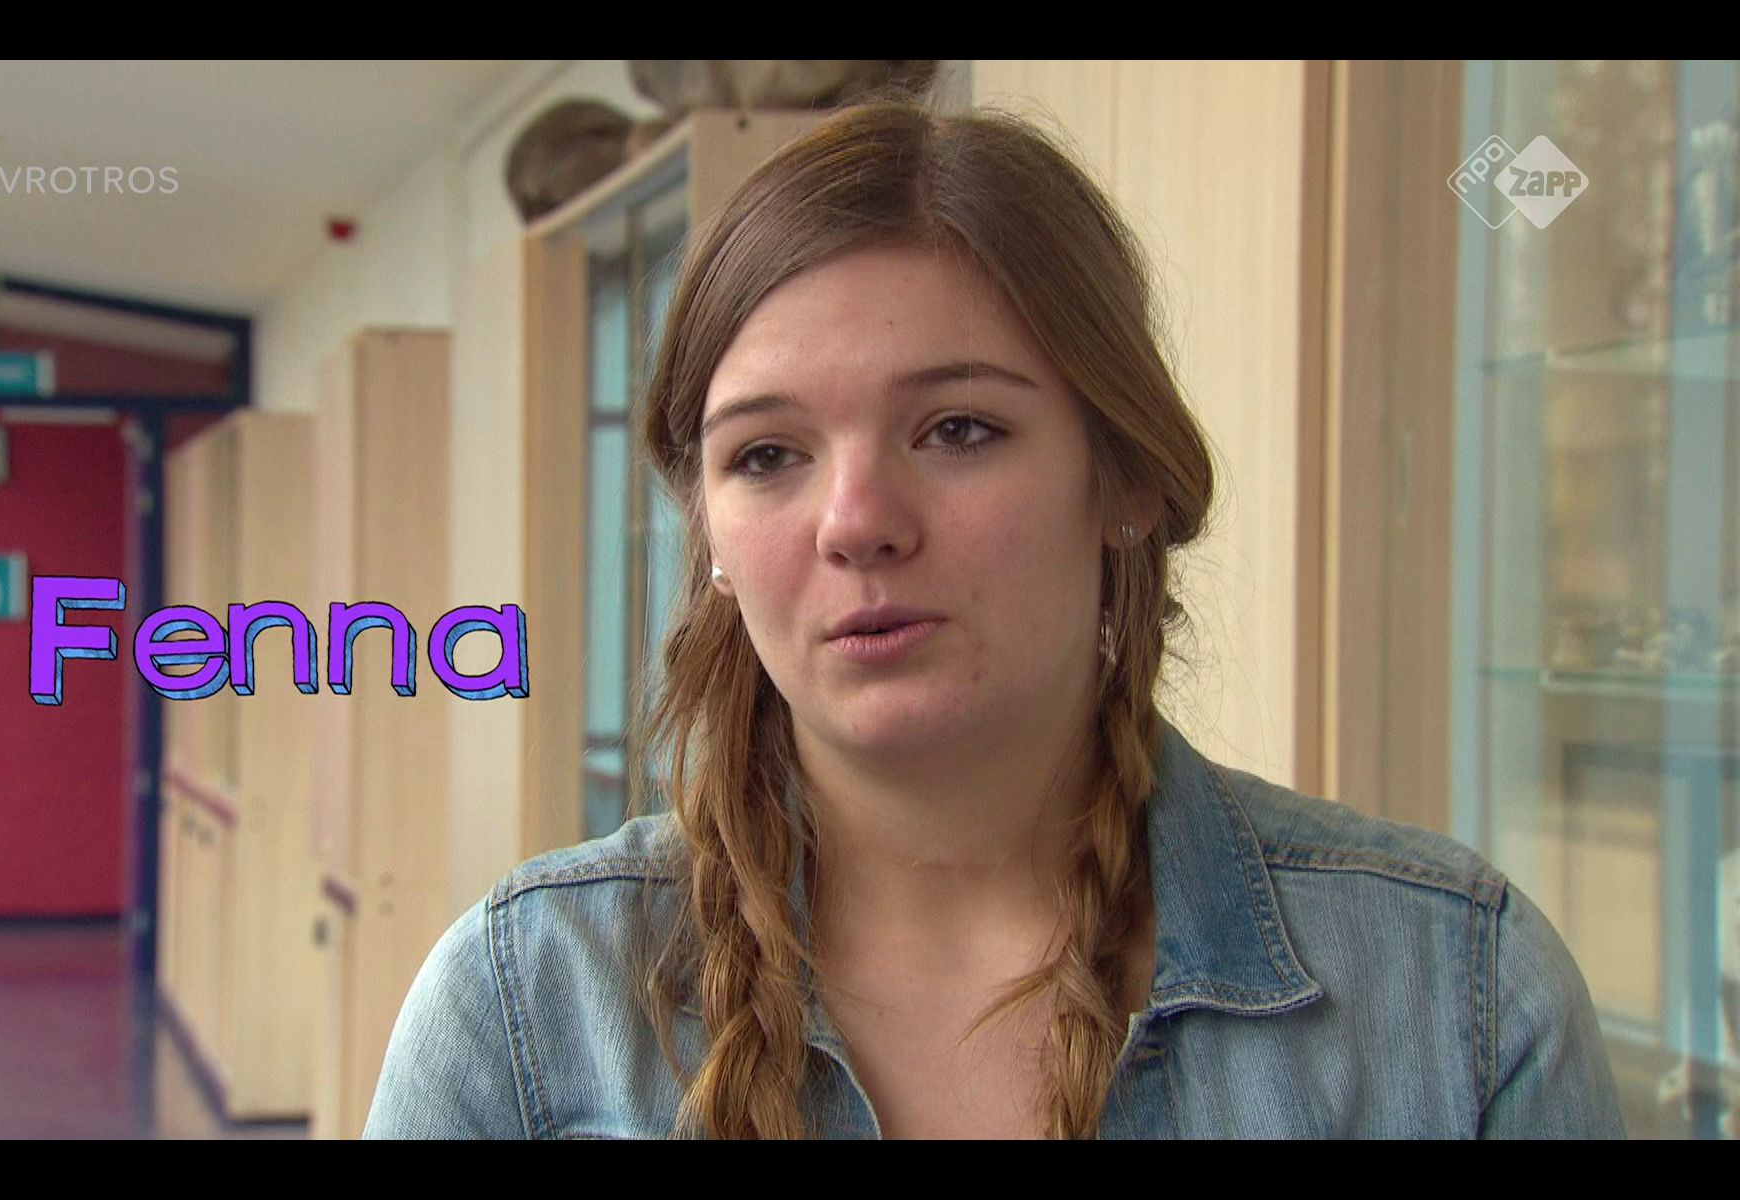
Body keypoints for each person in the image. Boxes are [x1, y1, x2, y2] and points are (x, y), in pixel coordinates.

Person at [363, 98, 1626, 1139]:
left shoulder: (1453, 1000)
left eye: (959, 429)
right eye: (768, 455)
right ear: (715, 546)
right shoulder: (526, 1012)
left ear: (1122, 479)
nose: (857, 521)